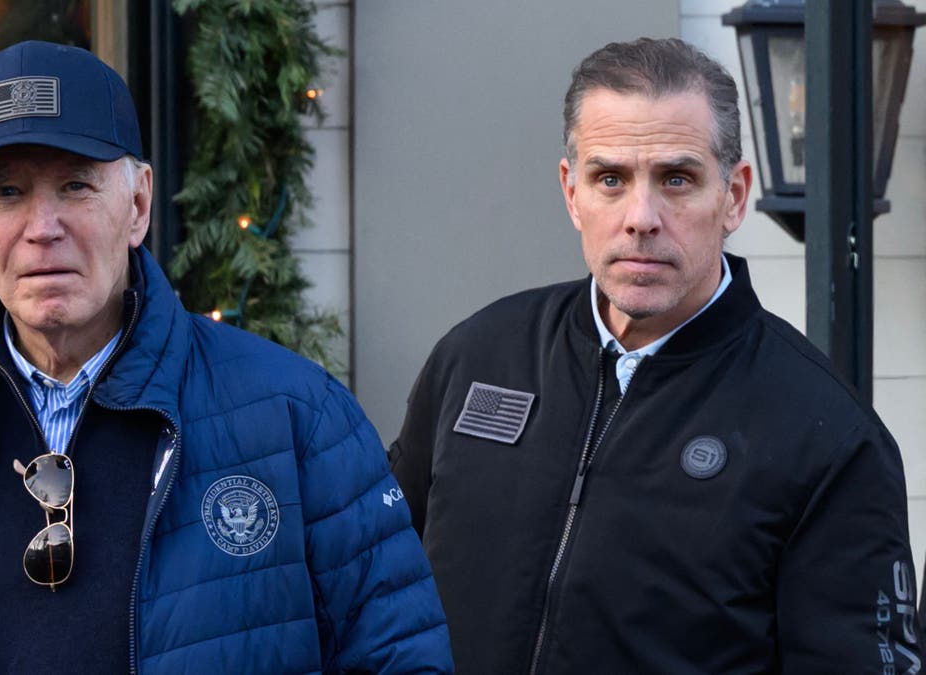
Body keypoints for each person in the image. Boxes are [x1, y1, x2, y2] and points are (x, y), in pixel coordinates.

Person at [0, 40, 452, 674]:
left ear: (139, 203)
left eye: (76, 185)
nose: (43, 227)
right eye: (7, 191)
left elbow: (400, 656)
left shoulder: (300, 419)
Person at [391, 37, 920, 673]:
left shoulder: (827, 436)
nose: (641, 216)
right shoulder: (478, 357)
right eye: (610, 178)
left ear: (734, 196)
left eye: (676, 178)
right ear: (571, 191)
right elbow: (377, 587)